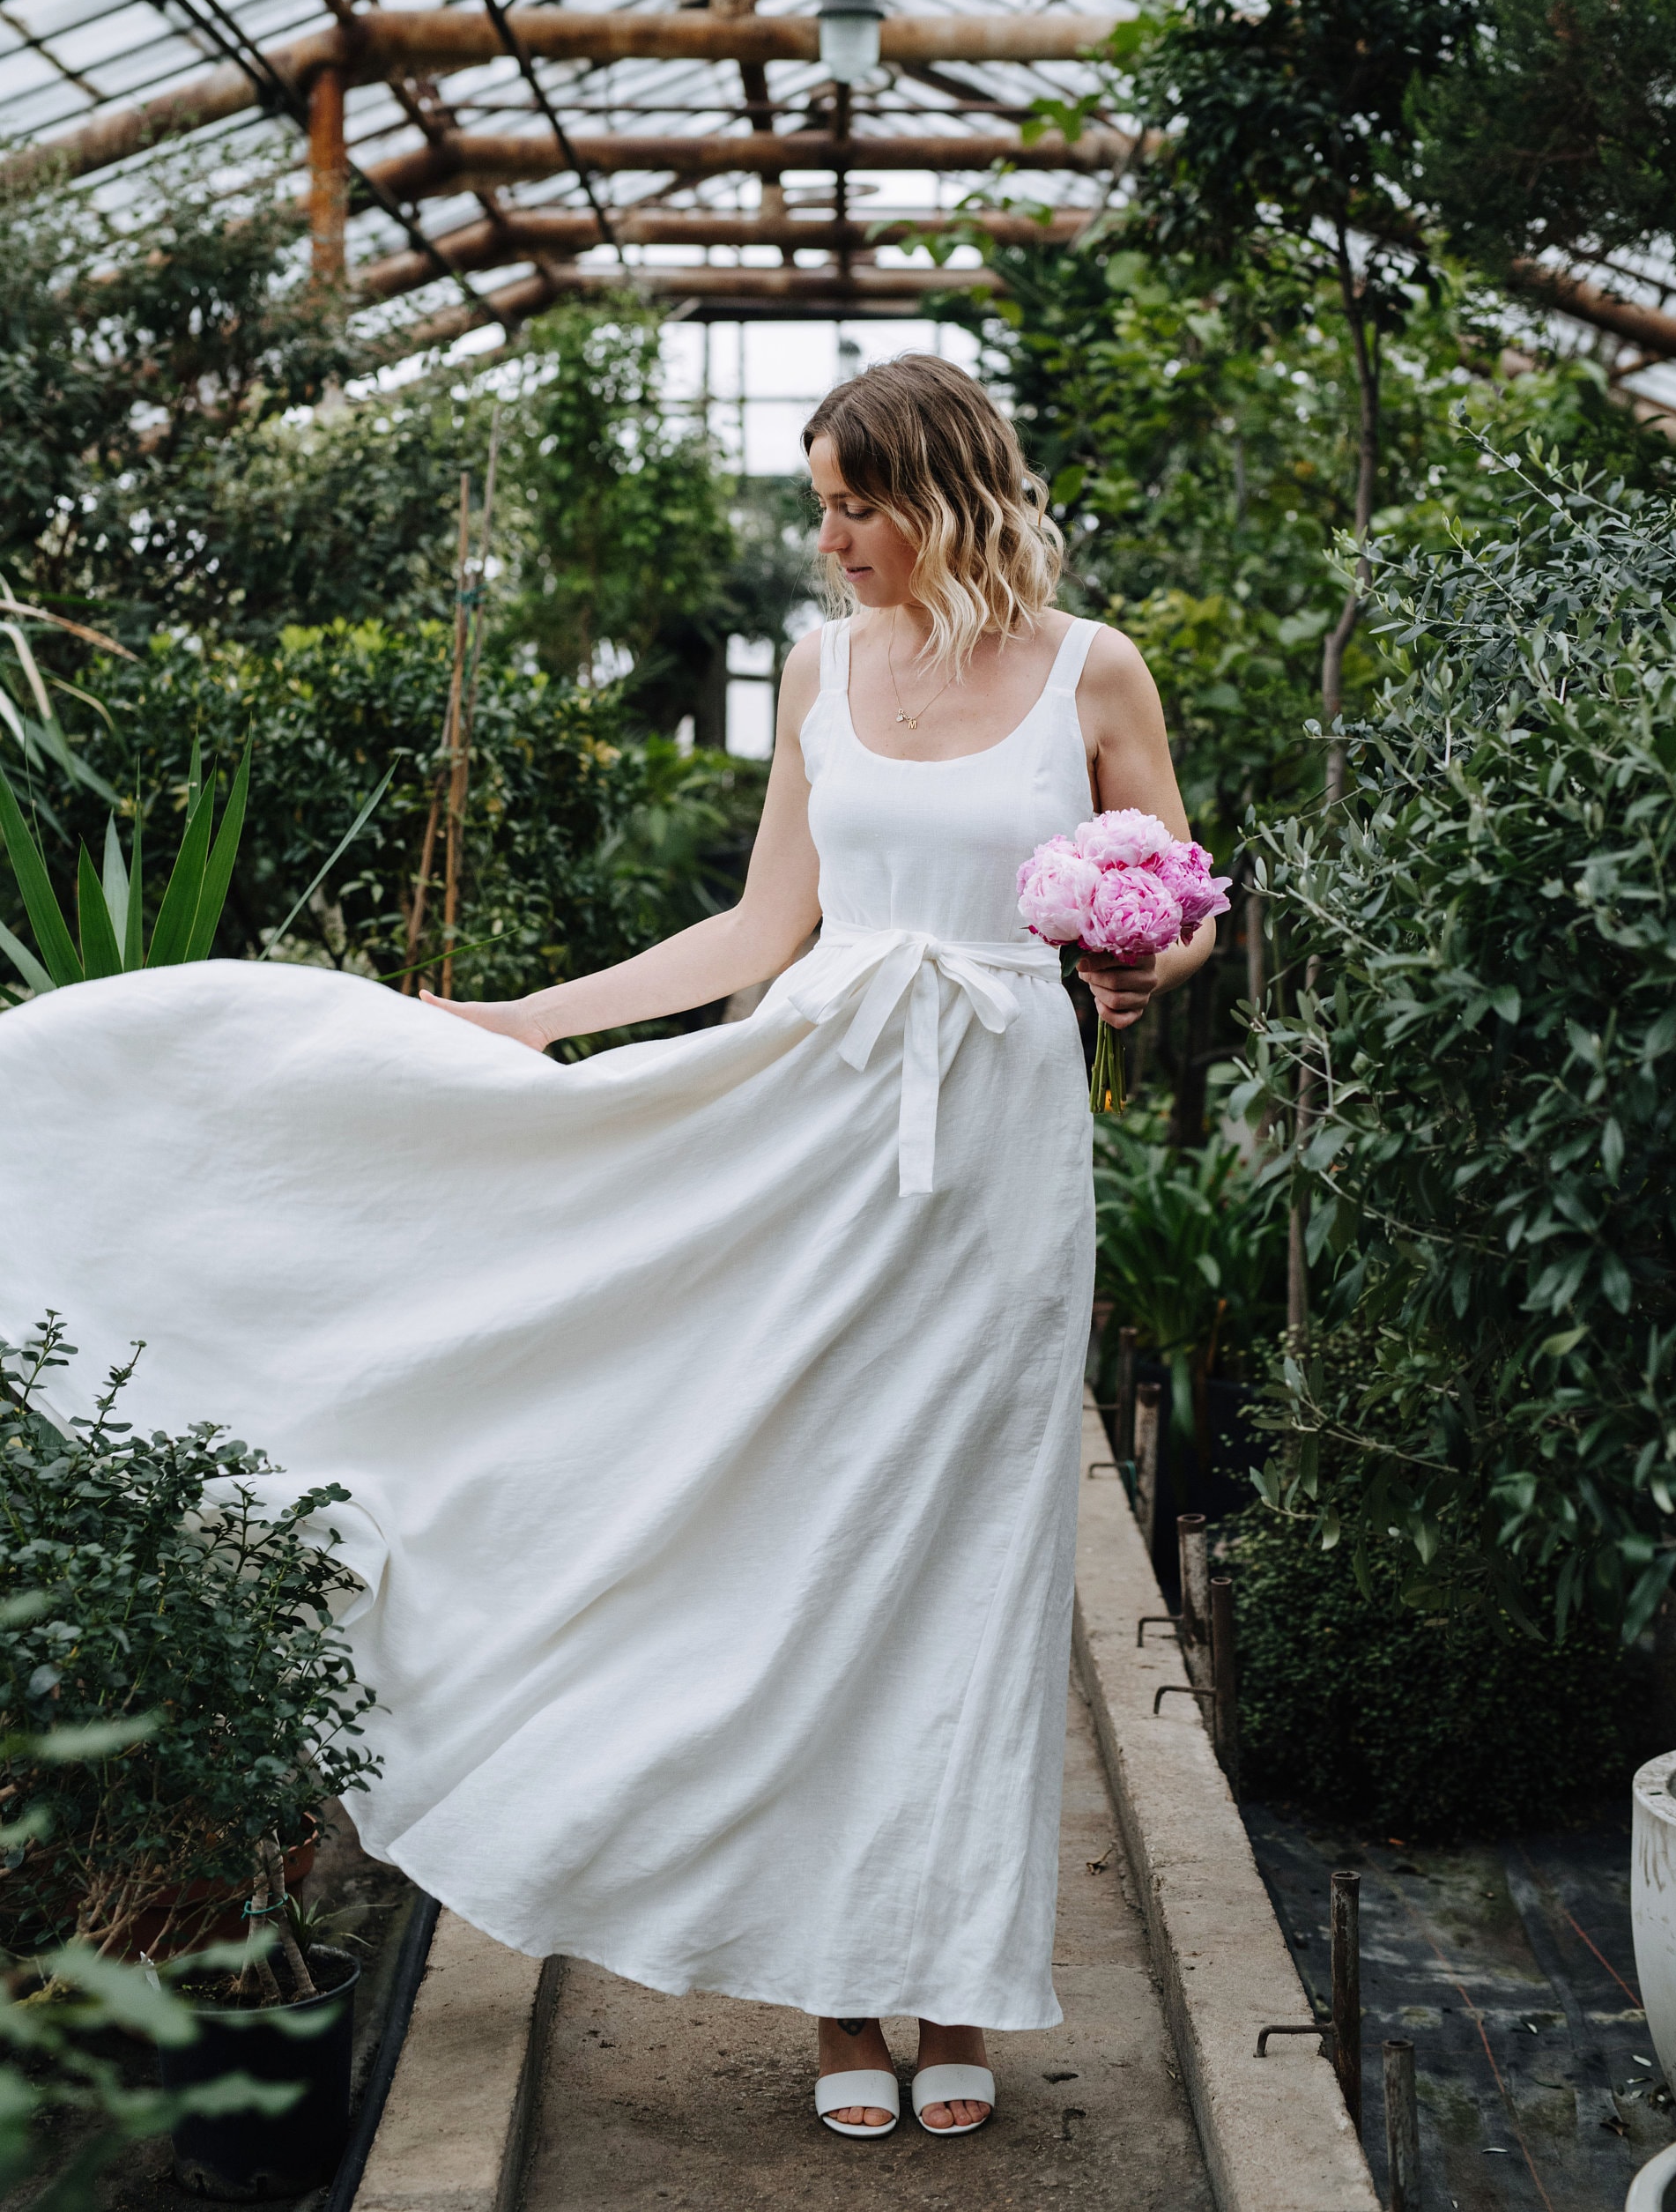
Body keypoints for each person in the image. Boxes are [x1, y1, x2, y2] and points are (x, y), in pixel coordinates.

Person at [0, 353, 1214, 2143]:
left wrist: (1131, 965)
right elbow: (759, 927)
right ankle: (836, 1989)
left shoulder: (1090, 668)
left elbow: (1171, 896)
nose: (829, 543)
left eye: (851, 507)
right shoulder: (821, 669)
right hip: (815, 1124)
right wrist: (523, 1020)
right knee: (820, 1545)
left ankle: (952, 1978)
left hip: (998, 1165)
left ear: (943, 492)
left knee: (971, 1554)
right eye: (819, 506)